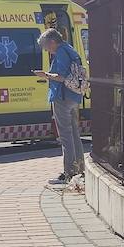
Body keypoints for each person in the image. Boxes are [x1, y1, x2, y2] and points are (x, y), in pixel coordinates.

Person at [33, 28, 86, 184]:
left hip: (63, 96)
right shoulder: (70, 49)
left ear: (52, 42)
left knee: (65, 136)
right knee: (75, 135)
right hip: (74, 96)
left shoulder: (61, 52)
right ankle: (79, 169)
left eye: (46, 46)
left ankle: (69, 173)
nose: (46, 50)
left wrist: (45, 75)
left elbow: (61, 77)